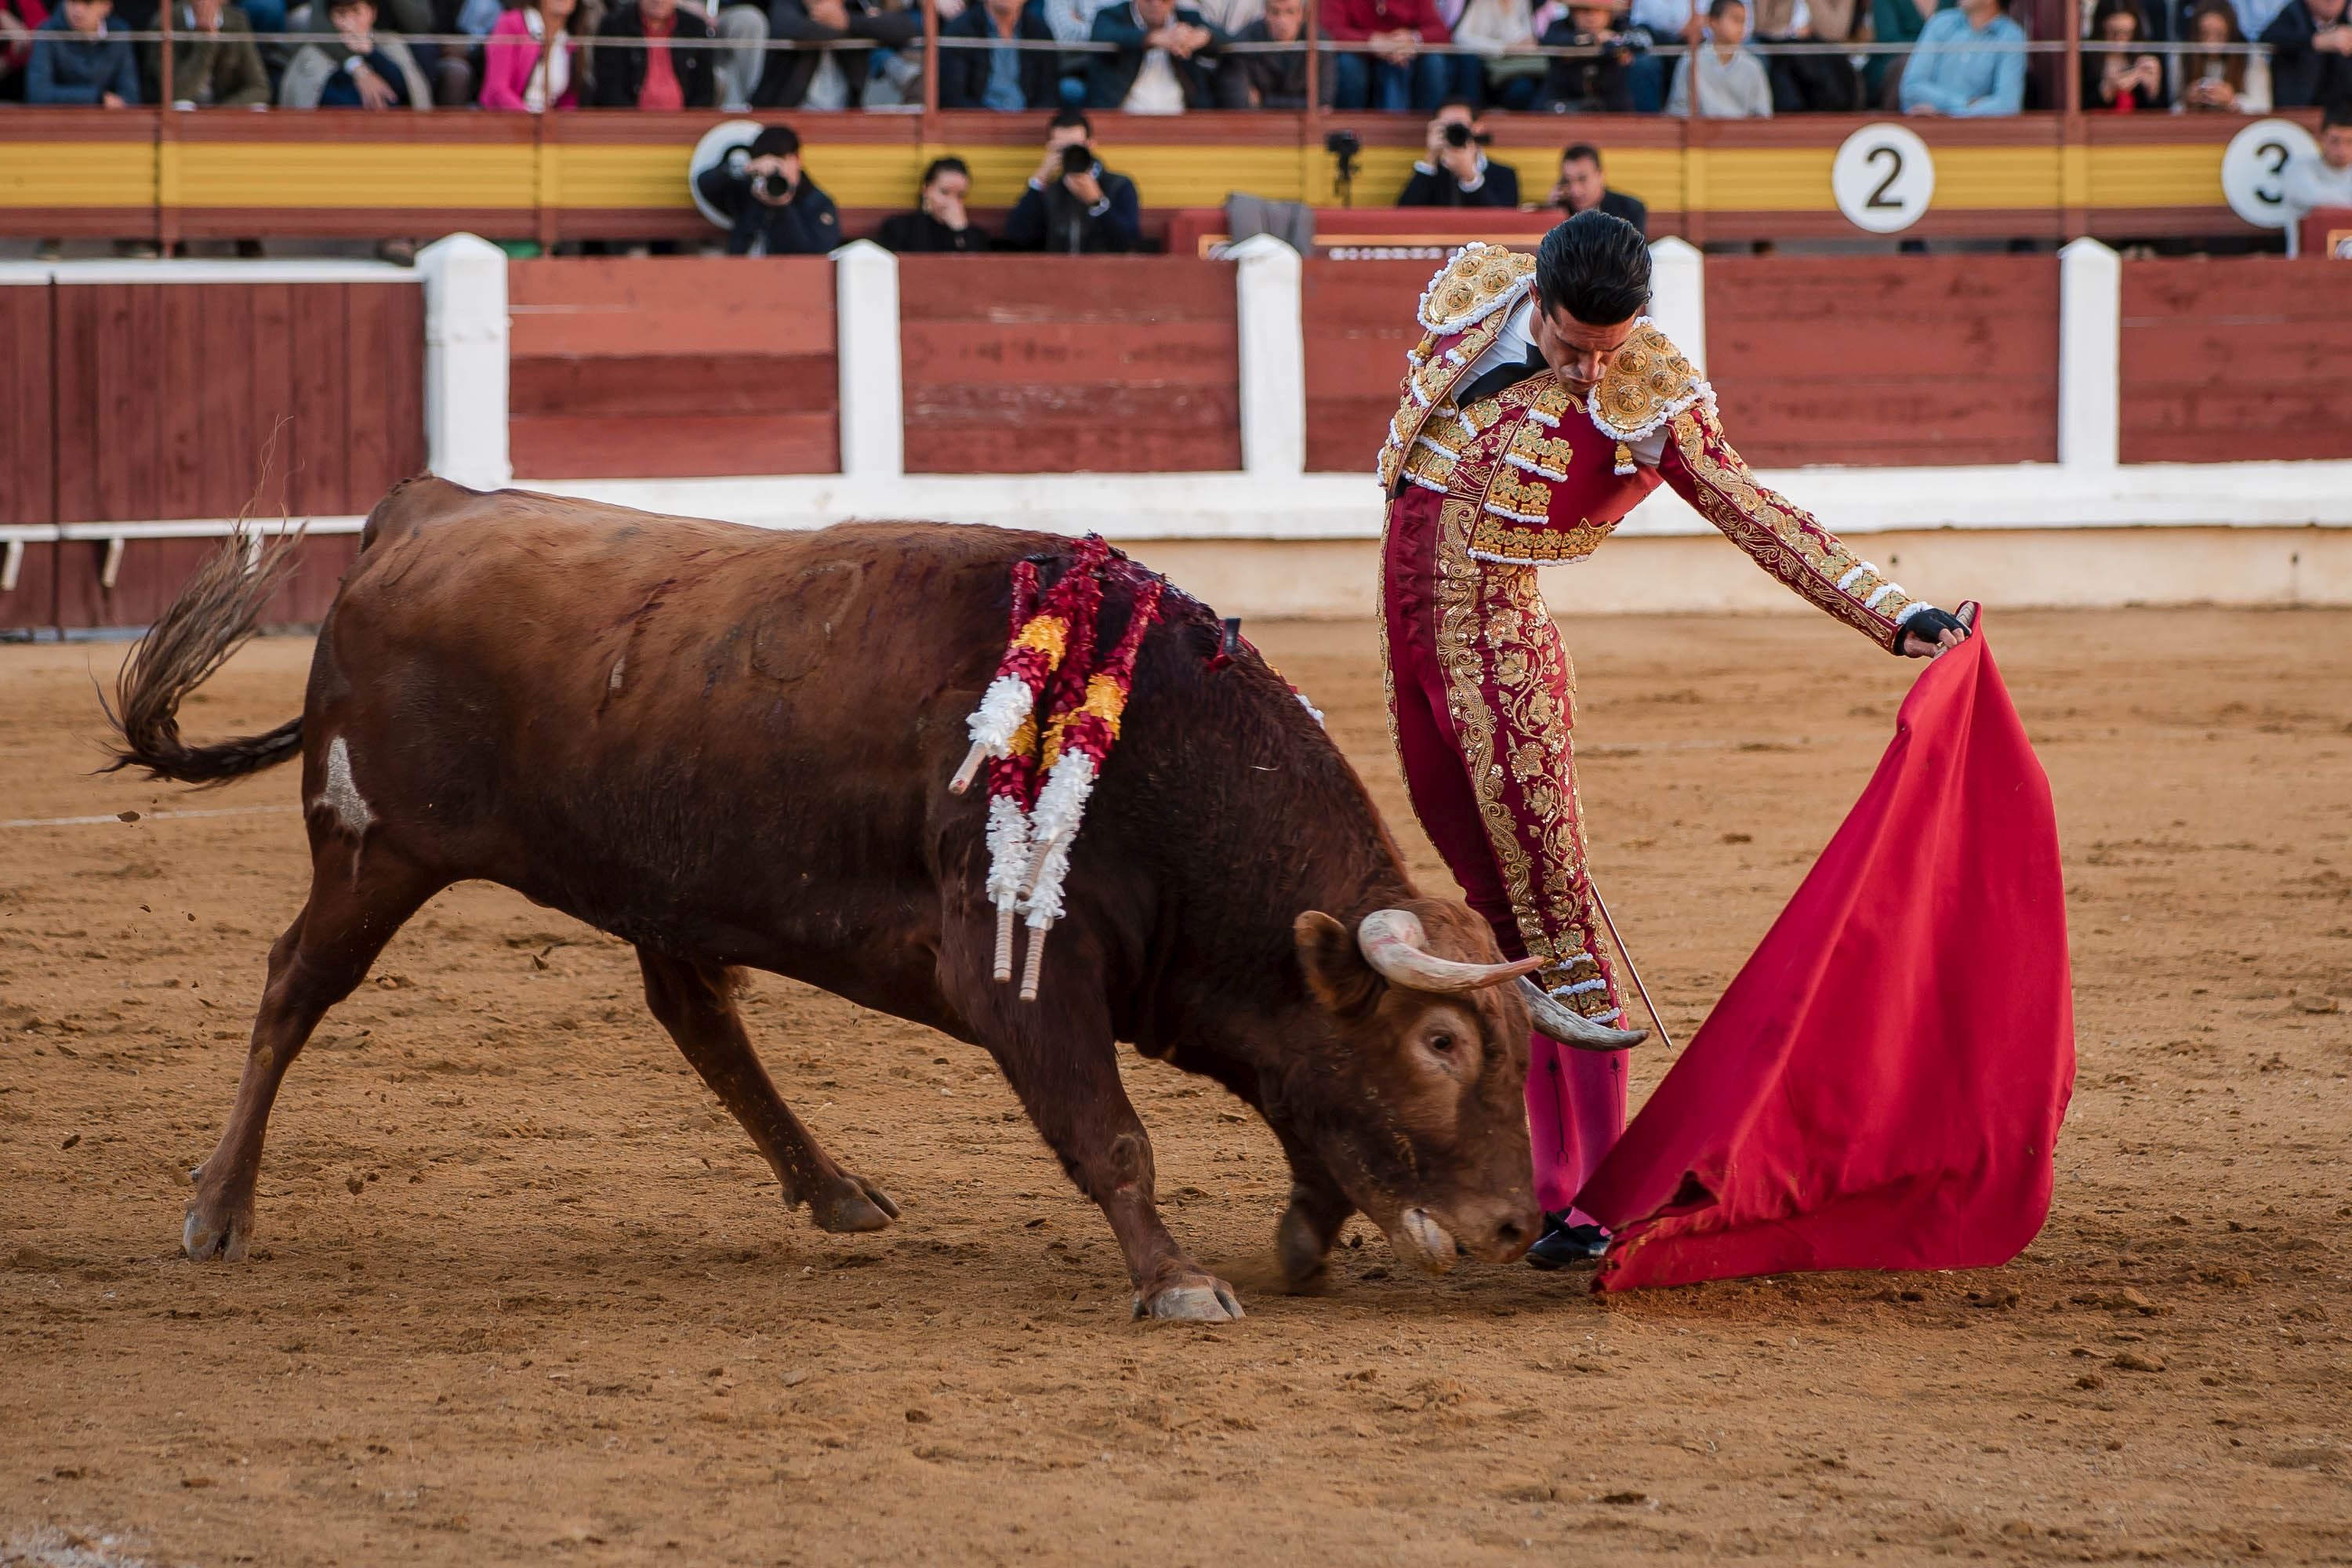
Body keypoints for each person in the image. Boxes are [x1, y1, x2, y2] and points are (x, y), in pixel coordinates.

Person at [1375, 218, 1971, 1268]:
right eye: (1570, 348)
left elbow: (1749, 507)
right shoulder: (1478, 290)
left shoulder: (1648, 388)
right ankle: (1540, 1173)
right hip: (1411, 644)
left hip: (1505, 660)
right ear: (1539, 298)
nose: (1588, 367)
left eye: (1608, 349)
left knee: (1559, 921)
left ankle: (1596, 1197)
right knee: (1495, 910)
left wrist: (1894, 612)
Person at [1004, 107, 1141, 252]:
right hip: (1058, 271)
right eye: (1062, 149)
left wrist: (1097, 203)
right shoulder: (1050, 191)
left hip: (1104, 272)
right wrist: (1040, 179)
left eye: (1076, 148)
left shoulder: (1119, 185)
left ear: (1091, 145)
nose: (1072, 155)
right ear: (1051, 149)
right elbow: (1018, 235)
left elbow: (1128, 240)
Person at [697, 122, 843, 255]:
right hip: (743, 273)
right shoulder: (749, 191)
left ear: (797, 159)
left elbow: (817, 255)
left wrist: (783, 205)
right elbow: (705, 184)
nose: (774, 170)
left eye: (780, 162)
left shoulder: (818, 202)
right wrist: (742, 169)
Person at [753, 0, 919, 107]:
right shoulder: (788, 5)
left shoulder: (854, 9)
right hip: (790, 112)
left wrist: (848, 21)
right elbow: (796, 30)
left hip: (845, 111)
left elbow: (905, 28)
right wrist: (863, 27)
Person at [1087, 0, 1236, 110]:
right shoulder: (1111, 15)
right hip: (1123, 114)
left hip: (1180, 115)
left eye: (1164, 0)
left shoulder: (1187, 18)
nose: (1156, 3)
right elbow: (1103, 34)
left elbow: (1230, 41)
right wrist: (1153, 38)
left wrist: (1203, 37)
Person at [280, 0, 430, 103]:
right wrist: (355, 69)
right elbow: (321, 100)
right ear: (330, 17)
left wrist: (371, 53)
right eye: (341, 14)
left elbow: (405, 92)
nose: (349, 22)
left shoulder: (390, 43)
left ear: (373, 12)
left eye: (356, 12)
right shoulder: (313, 53)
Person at [1898, 0, 2025, 115]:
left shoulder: (2011, 36)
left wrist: (1945, 112)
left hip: (1976, 132)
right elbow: (1912, 87)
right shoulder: (1940, 23)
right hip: (1927, 124)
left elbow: (2008, 105)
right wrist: (1965, 104)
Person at [1323, 0, 1453, 110]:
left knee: (1434, 62)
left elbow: (1440, 32)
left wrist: (1412, 39)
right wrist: (1370, 42)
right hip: (1360, 58)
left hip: (1406, 57)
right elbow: (1329, 30)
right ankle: (1349, 128)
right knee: (1348, 64)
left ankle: (1429, 125)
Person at [593, 0, 718, 107]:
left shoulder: (695, 28)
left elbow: (706, 92)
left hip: (686, 126)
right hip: (627, 126)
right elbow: (610, 91)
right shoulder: (615, 26)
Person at [1399, 98, 1522, 205]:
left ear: (1477, 128)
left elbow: (1503, 224)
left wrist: (1470, 177)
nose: (1454, 130)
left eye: (1460, 125)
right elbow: (1404, 216)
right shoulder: (1430, 174)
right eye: (1446, 126)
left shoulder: (1505, 175)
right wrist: (1430, 159)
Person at [144, 0, 268, 105]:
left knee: (258, 107)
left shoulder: (237, 20)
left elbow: (259, 88)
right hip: (185, 115)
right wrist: (206, 43)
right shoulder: (166, 22)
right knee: (181, 105)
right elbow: (177, 94)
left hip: (223, 111)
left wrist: (220, 114)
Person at [938, 0, 1059, 107]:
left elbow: (1049, 92)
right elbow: (952, 95)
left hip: (1028, 124)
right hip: (976, 123)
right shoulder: (960, 29)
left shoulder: (1039, 31)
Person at [1537, 0, 1646, 111]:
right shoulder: (1559, 27)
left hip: (1612, 102)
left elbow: (1642, 41)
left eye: (1599, 11)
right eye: (1584, 11)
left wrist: (1614, 42)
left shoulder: (1620, 26)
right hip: (1564, 100)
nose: (1592, 17)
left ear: (1610, 13)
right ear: (1573, 12)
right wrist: (1594, 39)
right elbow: (1551, 40)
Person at [1666, 0, 1771, 113]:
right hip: (1701, 129)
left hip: (1742, 130)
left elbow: (1762, 113)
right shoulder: (1691, 61)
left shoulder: (1753, 66)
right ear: (1713, 22)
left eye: (1743, 21)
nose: (1741, 27)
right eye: (1735, 20)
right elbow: (1678, 109)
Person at [25, 0, 137, 103]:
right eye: (73, 2)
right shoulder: (47, 31)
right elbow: (38, 94)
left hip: (106, 120)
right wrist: (97, 98)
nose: (78, 10)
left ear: (106, 7)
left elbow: (130, 96)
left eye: (88, 3)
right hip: (59, 119)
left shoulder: (119, 33)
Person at [479, 0, 581, 108]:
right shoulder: (511, 23)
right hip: (507, 119)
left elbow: (568, 102)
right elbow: (498, 90)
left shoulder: (570, 42)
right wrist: (533, 120)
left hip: (546, 121)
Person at [877, 155, 991, 251]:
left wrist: (961, 231)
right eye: (945, 192)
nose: (951, 202)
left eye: (960, 195)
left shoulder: (976, 237)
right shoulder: (899, 228)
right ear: (926, 189)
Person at [2281, 103, 2352, 254]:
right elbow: (2313, 197)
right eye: (2335, 141)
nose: (2342, 150)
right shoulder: (2297, 169)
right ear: (2322, 139)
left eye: (2349, 142)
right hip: (2303, 267)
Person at [1221, 0, 1317, 105]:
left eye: (1290, 12)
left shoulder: (1319, 42)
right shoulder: (1244, 43)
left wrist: (1263, 100)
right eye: (1275, 12)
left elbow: (1322, 104)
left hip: (1302, 120)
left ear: (1302, 14)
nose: (1282, 21)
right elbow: (1238, 102)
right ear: (1265, 14)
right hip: (1255, 121)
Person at [2259, 0, 2352, 107]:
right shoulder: (2293, 13)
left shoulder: (2347, 18)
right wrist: (2315, 41)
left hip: (2343, 113)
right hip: (2298, 112)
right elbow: (2268, 39)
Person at [2179, 0, 2270, 109]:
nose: (2211, 44)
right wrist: (2187, 101)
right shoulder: (2183, 57)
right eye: (2204, 35)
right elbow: (2170, 109)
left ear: (2230, 35)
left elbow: (2263, 107)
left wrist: (2232, 101)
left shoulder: (2250, 57)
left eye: (2219, 36)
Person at [1452, 0, 1546, 105]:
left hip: (1510, 68)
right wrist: (1503, 48)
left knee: (1524, 88)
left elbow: (1525, 38)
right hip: (1483, 63)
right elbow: (1461, 38)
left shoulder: (1522, 2)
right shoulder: (1480, 3)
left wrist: (1524, 42)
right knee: (1469, 61)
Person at [2084, 0, 2166, 108]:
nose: (2120, 41)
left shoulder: (2146, 56)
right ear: (2101, 29)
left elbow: (2161, 112)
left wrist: (2153, 91)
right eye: (2113, 33)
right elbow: (2080, 106)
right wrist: (2105, 93)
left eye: (2127, 33)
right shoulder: (2086, 58)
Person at [1550, 142, 1646, 232]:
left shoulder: (1629, 209)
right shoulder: (1562, 209)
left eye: (1582, 179)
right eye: (1568, 180)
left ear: (1600, 175)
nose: (1575, 190)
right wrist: (1552, 212)